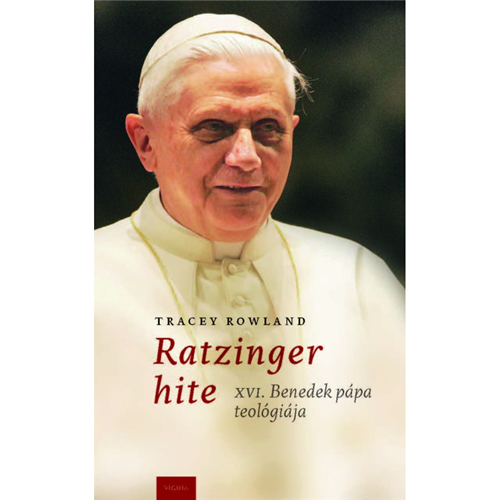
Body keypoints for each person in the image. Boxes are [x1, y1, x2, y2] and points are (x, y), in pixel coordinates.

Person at [95, 13, 405, 500]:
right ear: (146, 142)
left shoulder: (358, 278)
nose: (246, 156)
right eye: (214, 128)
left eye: (267, 129)